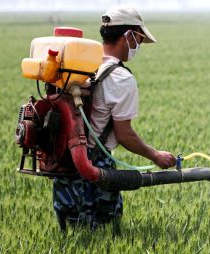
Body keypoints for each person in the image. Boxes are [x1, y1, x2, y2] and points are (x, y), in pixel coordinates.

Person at [53, 5, 176, 232]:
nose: (138, 46)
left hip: (65, 160)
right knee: (103, 233)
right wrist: (156, 156)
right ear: (128, 36)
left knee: (69, 231)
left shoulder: (81, 65)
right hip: (95, 164)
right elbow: (124, 135)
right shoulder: (120, 78)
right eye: (138, 39)